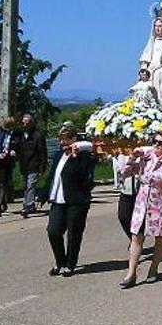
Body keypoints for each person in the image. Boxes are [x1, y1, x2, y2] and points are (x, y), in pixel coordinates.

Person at [119, 132, 162, 288]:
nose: (156, 145)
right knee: (136, 237)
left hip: (160, 206)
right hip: (141, 204)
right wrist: (133, 158)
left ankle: (153, 268)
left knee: (159, 238)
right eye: (154, 141)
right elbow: (125, 173)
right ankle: (131, 273)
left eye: (160, 143)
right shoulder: (145, 159)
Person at [37, 125, 95, 276]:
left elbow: (83, 178)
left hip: (76, 201)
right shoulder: (58, 155)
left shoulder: (84, 156)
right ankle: (60, 261)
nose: (62, 143)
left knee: (74, 234)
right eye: (60, 140)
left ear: (74, 139)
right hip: (58, 200)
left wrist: (75, 157)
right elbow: (53, 177)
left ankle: (70, 264)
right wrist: (43, 194)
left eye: (65, 140)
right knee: (53, 231)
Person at [18, 113, 48, 218]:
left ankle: (27, 206)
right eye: (23, 123)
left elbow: (43, 152)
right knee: (26, 186)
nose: (24, 125)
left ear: (31, 123)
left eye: (27, 123)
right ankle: (30, 205)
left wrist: (42, 166)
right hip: (24, 164)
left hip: (34, 164)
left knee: (31, 185)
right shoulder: (21, 134)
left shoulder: (38, 135)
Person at [113, 153, 139, 240]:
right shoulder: (122, 157)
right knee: (123, 217)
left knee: (140, 219)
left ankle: (137, 239)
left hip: (140, 193)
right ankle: (133, 239)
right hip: (126, 192)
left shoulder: (145, 154)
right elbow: (122, 171)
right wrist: (130, 161)